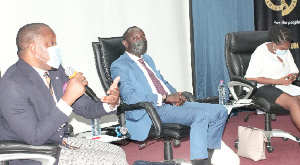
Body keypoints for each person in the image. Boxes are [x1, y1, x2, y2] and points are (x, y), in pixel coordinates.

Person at [0, 23, 128, 165]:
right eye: (52, 43)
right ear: (33, 48)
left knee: (118, 152)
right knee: (112, 161)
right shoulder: (12, 85)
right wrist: (67, 98)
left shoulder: (55, 71)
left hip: (58, 142)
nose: (56, 48)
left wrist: (109, 103)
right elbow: (35, 137)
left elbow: (84, 107)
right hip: (33, 153)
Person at [110, 26, 228, 165]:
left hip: (169, 105)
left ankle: (208, 154)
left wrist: (177, 95)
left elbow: (162, 82)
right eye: (135, 38)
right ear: (125, 43)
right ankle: (199, 162)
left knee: (220, 111)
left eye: (143, 36)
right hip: (152, 110)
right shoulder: (119, 65)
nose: (140, 40)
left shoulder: (147, 59)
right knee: (199, 115)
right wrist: (164, 98)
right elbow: (130, 97)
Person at [245, 25, 300, 131]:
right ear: (274, 43)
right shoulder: (261, 52)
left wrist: (291, 77)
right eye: (283, 48)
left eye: (287, 48)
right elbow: (250, 77)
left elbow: (294, 71)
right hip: (263, 86)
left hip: (284, 86)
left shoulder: (285, 50)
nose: (285, 51)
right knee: (293, 101)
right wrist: (276, 81)